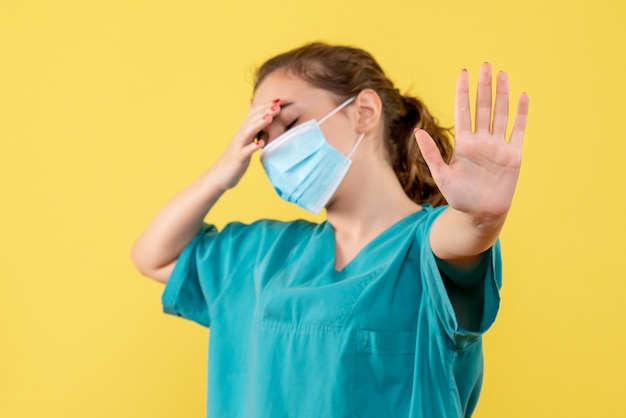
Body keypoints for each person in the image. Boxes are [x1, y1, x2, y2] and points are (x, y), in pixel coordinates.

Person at [130, 42, 529, 417]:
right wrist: (220, 174)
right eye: (260, 137)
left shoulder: (423, 248)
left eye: (289, 121)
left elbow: (462, 239)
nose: (274, 150)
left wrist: (482, 217)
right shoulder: (263, 255)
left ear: (364, 112)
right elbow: (153, 256)